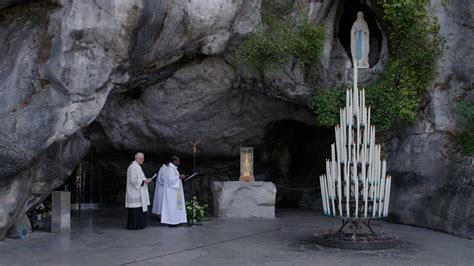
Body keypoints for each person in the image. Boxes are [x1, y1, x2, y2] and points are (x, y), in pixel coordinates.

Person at [125, 152, 152, 230]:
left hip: (139, 192)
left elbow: (139, 178)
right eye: (142, 158)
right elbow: (133, 180)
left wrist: (146, 180)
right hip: (135, 193)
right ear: (137, 158)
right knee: (135, 210)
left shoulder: (137, 166)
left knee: (139, 210)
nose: (143, 160)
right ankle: (134, 226)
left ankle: (140, 225)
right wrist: (144, 182)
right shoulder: (132, 167)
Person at [161, 156, 188, 226]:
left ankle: (178, 220)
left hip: (177, 192)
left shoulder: (174, 169)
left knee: (178, 206)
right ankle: (172, 221)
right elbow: (170, 180)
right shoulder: (170, 169)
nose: (179, 162)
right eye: (177, 161)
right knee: (173, 206)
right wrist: (179, 177)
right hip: (172, 193)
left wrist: (179, 177)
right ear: (173, 161)